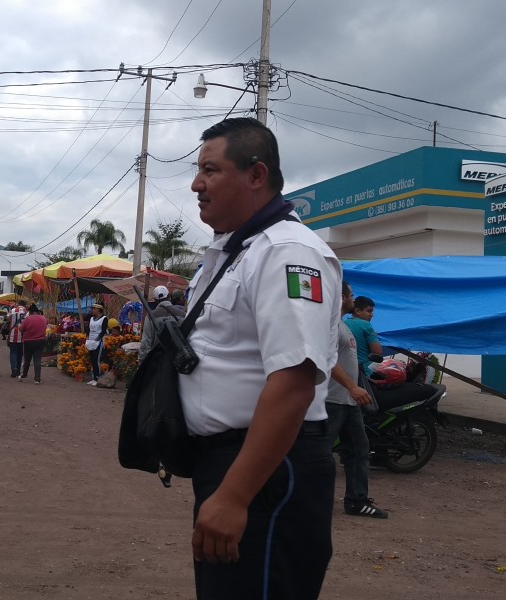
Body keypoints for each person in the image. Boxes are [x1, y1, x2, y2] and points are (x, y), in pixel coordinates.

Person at [179, 117, 342, 599]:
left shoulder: (287, 252)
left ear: (255, 175)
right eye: (197, 170)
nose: (195, 183)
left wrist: (234, 495)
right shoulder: (237, 250)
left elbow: (294, 381)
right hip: (239, 465)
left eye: (210, 170)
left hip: (268, 471)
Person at [326, 282, 388, 519]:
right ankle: (305, 501)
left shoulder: (344, 324)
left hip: (348, 401)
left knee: (359, 450)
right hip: (334, 400)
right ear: (342, 298)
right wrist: (352, 386)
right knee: (320, 453)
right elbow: (326, 360)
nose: (353, 299)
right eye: (351, 295)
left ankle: (356, 501)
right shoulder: (331, 324)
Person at [137, 285, 186, 363]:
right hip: (177, 360)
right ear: (169, 296)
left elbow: (146, 341)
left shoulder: (150, 316)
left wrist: (141, 361)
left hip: (157, 361)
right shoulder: (182, 314)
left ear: (155, 300)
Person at [345, 295, 383, 377]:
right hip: (364, 372)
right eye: (369, 311)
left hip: (346, 372)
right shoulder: (365, 325)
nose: (371, 315)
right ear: (358, 311)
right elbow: (377, 351)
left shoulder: (343, 324)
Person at [17, 303, 48, 384]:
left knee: (27, 360)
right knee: (37, 360)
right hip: (40, 341)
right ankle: (37, 379)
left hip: (28, 341)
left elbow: (20, 329)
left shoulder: (28, 319)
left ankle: (23, 376)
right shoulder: (44, 318)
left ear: (30, 312)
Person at [85, 303, 107, 386]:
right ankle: (94, 377)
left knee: (96, 360)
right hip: (91, 341)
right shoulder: (91, 319)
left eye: (94, 308)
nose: (92, 310)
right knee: (92, 360)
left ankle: (97, 377)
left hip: (98, 342)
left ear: (98, 309)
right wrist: (87, 337)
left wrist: (97, 338)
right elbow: (89, 329)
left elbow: (103, 330)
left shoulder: (104, 319)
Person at [6, 300, 27, 378]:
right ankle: (18, 370)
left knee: (13, 352)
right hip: (23, 335)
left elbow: (8, 318)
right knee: (20, 354)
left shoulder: (13, 310)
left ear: (18, 304)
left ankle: (13, 368)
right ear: (25, 305)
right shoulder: (27, 312)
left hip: (13, 334)